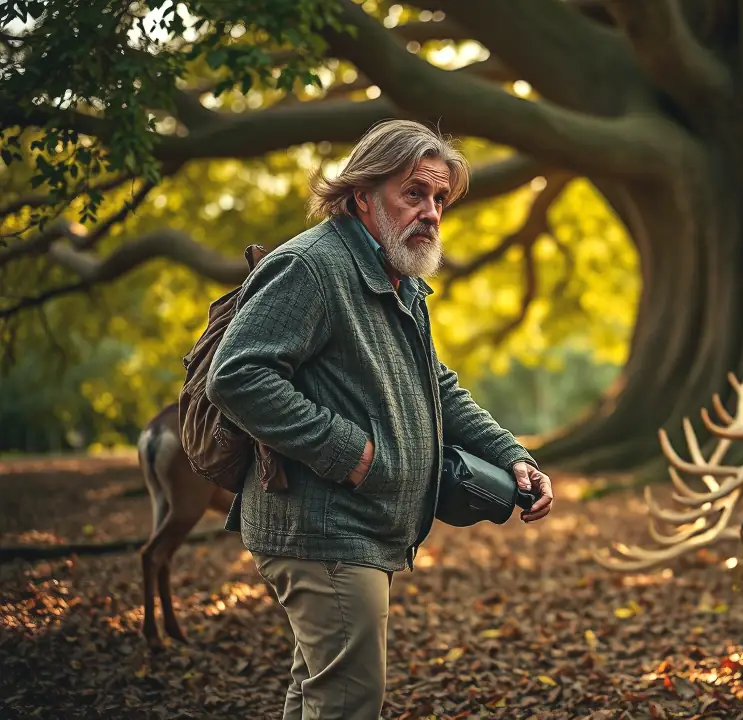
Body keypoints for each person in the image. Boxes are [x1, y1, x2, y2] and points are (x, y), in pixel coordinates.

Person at [206, 119, 553, 720]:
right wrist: (354, 454)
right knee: (348, 702)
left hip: (360, 529)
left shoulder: (399, 280)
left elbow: (435, 385)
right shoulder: (312, 267)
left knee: (321, 695)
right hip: (325, 530)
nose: (432, 212)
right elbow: (238, 376)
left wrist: (511, 455)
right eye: (414, 193)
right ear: (363, 194)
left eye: (440, 198)